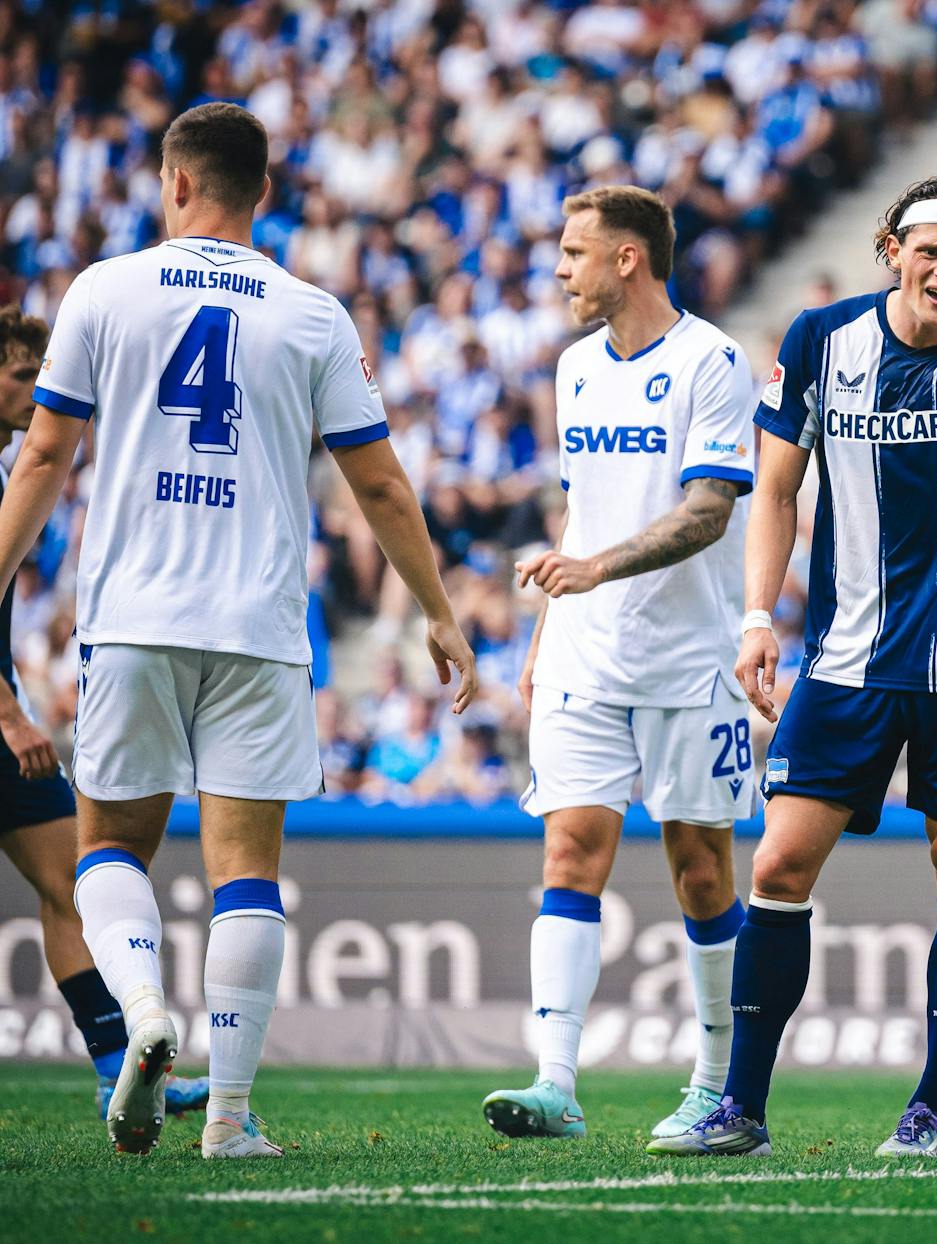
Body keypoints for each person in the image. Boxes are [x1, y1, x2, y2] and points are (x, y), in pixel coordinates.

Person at [0, 104, 477, 1159]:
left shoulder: (103, 289)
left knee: (110, 845)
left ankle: (144, 1008)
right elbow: (383, 486)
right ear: (261, 192)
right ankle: (228, 1115)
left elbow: (41, 460)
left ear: (174, 183)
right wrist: (437, 613)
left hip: (132, 615)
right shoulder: (312, 313)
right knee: (245, 871)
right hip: (260, 624)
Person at [648, 174, 937, 1161]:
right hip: (843, 658)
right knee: (776, 863)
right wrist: (758, 615)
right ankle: (740, 1107)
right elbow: (773, 490)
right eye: (928, 250)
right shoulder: (817, 340)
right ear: (891, 246)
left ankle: (928, 1107)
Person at [479, 186, 757, 1145]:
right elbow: (579, 515)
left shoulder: (713, 363)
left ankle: (718, 1083)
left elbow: (711, 506)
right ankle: (555, 1081)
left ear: (627, 259)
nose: (560, 269)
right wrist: (547, 629)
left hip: (691, 661)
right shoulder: (573, 369)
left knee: (701, 872)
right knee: (569, 853)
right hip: (583, 656)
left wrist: (593, 571)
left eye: (573, 252)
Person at [0, 306, 209, 1121]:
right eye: (22, 375)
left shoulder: (11, 470)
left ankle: (116, 1067)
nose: (36, 390)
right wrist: (12, 717)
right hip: (5, 720)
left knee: (69, 882)